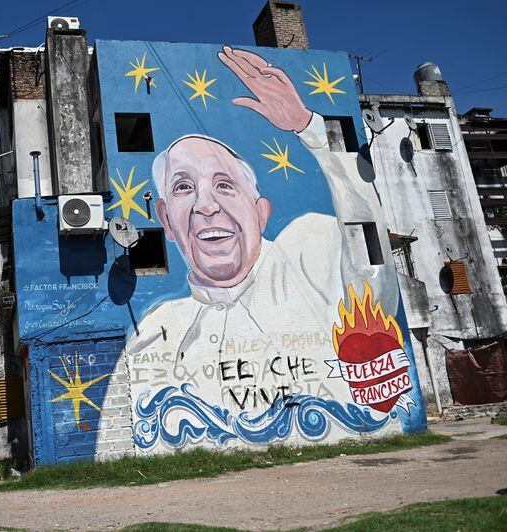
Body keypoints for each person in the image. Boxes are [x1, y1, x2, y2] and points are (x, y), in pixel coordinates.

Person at [125, 47, 399, 422]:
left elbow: (373, 280)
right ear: (166, 221)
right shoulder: (156, 329)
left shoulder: (309, 250)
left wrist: (309, 128)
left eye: (224, 185)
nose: (205, 206)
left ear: (261, 212)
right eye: (183, 187)